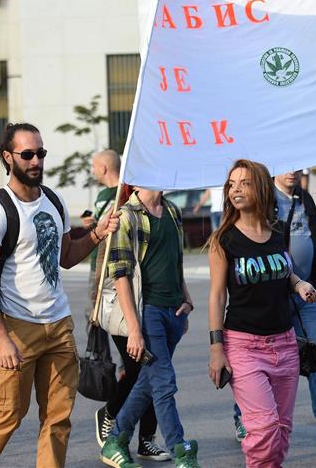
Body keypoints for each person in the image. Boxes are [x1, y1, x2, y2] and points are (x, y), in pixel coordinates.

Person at [0, 123, 119, 468]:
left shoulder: (54, 201)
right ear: (8, 157)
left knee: (58, 419)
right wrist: (1, 337)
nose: (35, 161)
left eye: (40, 153)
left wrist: (97, 234)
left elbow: (65, 257)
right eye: (27, 154)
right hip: (17, 328)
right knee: (8, 415)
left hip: (58, 326)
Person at [230, 170, 316, 447]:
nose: (293, 171)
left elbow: (315, 246)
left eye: (299, 166)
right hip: (273, 295)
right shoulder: (263, 199)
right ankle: (245, 418)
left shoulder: (305, 199)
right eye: (287, 165)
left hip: (307, 294)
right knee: (262, 363)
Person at [207, 160, 316, 468]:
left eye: (244, 183)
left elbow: (284, 272)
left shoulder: (277, 232)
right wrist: (217, 348)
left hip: (284, 345)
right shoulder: (224, 240)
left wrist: (299, 284)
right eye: (231, 184)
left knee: (281, 430)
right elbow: (217, 296)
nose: (236, 190)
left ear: (260, 186)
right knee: (264, 427)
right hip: (244, 346)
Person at [99, 187, 199, 468]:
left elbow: (174, 261)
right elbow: (120, 275)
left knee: (146, 383)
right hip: (149, 312)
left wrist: (186, 297)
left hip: (174, 312)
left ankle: (116, 439)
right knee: (164, 382)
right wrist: (134, 329)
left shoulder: (172, 211)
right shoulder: (127, 217)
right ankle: (180, 450)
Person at [84, 150, 121, 323]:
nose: (93, 171)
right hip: (96, 258)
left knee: (100, 309)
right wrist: (92, 223)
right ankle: (100, 350)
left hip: (111, 259)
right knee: (95, 307)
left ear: (103, 168)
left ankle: (101, 349)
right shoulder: (102, 194)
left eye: (94, 167)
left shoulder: (124, 193)